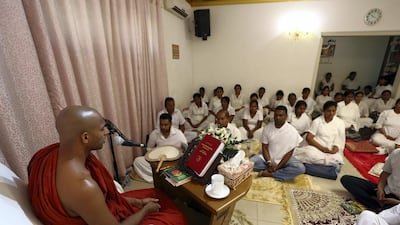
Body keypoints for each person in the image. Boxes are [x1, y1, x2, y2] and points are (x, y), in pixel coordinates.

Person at [27, 105, 187, 225]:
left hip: (93, 206)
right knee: (176, 217)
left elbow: (106, 198)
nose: (106, 133)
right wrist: (145, 210)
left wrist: (138, 203)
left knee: (154, 193)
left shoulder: (45, 155)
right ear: (85, 137)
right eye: (102, 129)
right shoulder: (83, 186)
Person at [250, 105, 305, 181]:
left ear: (286, 117)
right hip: (267, 159)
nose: (277, 117)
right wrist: (269, 163)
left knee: (300, 168)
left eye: (280, 115)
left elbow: (290, 153)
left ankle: (271, 174)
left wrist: (277, 166)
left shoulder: (292, 131)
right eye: (276, 115)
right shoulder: (267, 128)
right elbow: (264, 147)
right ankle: (278, 171)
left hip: (284, 160)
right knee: (249, 163)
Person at [134, 113, 187, 182]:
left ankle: (163, 174)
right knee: (137, 161)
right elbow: (149, 148)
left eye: (165, 125)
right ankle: (161, 175)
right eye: (161, 125)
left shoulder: (178, 134)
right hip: (158, 159)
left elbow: (185, 149)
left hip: (172, 161)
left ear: (170, 123)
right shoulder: (154, 134)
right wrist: (154, 157)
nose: (163, 127)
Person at [294, 101, 345, 168]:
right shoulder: (317, 121)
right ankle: (326, 163)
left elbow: (340, 140)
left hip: (331, 149)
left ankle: (321, 162)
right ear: (323, 111)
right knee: (308, 154)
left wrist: (335, 148)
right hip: (317, 148)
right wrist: (322, 148)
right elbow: (309, 138)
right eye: (329, 111)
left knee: (339, 159)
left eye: (333, 111)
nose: (331, 113)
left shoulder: (340, 123)